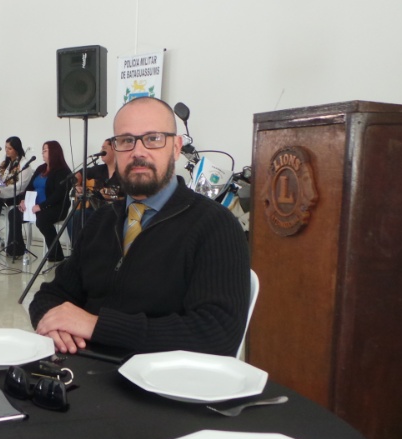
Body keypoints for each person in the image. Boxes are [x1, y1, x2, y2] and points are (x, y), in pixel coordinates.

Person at [29, 97, 250, 357]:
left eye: (153, 138)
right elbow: (49, 296)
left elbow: (217, 335)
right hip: (84, 372)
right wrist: (56, 327)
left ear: (176, 147)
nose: (138, 152)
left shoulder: (215, 227)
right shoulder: (101, 221)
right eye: (126, 140)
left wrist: (97, 326)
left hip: (160, 387)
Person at [6, 141, 72, 261]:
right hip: (34, 207)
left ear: (54, 152)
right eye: (42, 150)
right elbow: (30, 187)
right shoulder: (41, 168)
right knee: (13, 213)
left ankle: (56, 254)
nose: (42, 152)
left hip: (54, 208)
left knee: (42, 220)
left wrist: (41, 207)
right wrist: (23, 201)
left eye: (45, 150)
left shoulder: (63, 172)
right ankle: (16, 249)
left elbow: (58, 195)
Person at [68, 138, 123, 247]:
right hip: (95, 208)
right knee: (75, 217)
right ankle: (78, 251)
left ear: (115, 150)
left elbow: (125, 193)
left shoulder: (123, 171)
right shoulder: (100, 169)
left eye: (104, 148)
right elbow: (77, 175)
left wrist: (109, 193)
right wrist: (77, 186)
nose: (101, 151)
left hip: (115, 210)